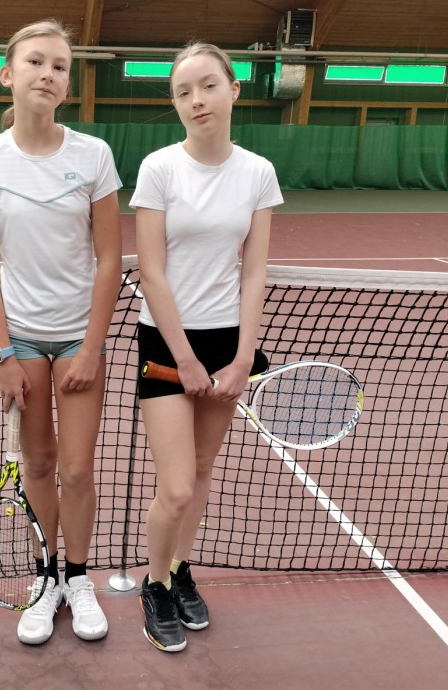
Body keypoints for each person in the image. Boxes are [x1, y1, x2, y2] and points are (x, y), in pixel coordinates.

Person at [0, 19, 122, 645]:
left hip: (79, 337)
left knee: (76, 469)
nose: (47, 74)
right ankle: (48, 577)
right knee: (40, 462)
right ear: (8, 74)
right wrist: (2, 354)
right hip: (19, 338)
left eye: (59, 66)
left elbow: (110, 259)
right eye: (35, 62)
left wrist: (92, 346)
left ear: (67, 84)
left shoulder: (93, 156)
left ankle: (79, 577)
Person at [131, 41, 283, 652]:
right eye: (183, 92)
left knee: (200, 474)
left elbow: (254, 272)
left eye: (208, 85)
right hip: (166, 341)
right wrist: (187, 360)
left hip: (227, 342)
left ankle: (180, 570)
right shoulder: (159, 169)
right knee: (175, 486)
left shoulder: (258, 173)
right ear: (175, 104)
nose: (197, 100)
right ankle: (153, 585)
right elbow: (151, 273)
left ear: (233, 89)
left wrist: (244, 358)